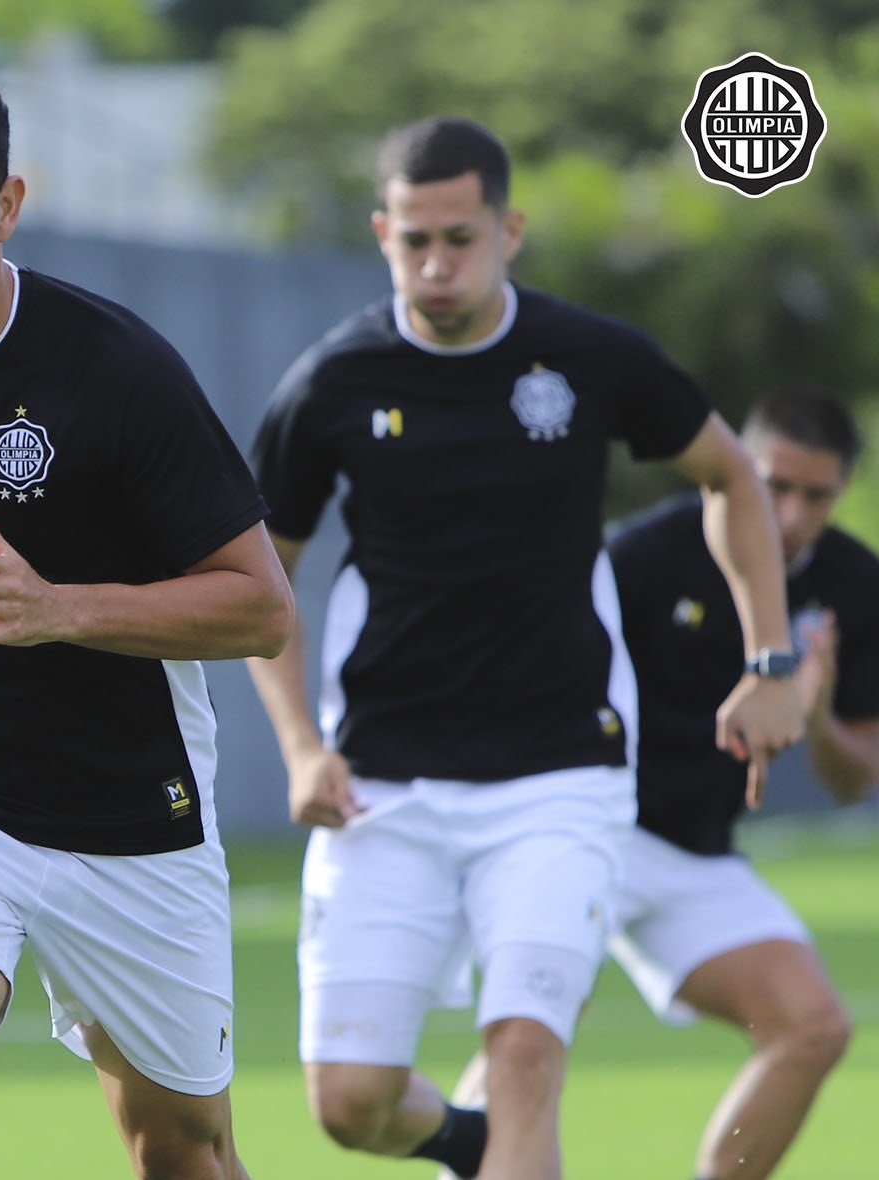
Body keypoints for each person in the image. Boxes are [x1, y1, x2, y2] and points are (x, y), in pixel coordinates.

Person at [243, 115, 806, 1180]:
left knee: (524, 1054)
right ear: (381, 234)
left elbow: (733, 475)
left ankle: (502, 1138)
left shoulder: (588, 356)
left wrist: (769, 658)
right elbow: (258, 582)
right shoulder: (334, 383)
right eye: (414, 241)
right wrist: (299, 747)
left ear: (511, 229)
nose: (437, 264)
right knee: (350, 1101)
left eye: (461, 238)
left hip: (561, 774)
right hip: (384, 782)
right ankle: (470, 1151)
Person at [0, 60, 294, 1180]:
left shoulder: (114, 366)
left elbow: (262, 608)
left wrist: (59, 609)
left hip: (125, 804)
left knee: (185, 1150)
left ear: (8, 205)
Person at [445, 390, 874, 1180]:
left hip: (694, 853)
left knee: (814, 1027)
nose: (790, 514)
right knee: (532, 1037)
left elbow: (853, 783)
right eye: (774, 486)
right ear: (740, 469)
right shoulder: (649, 554)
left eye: (816, 496)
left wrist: (814, 712)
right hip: (588, 824)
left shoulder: (856, 584)